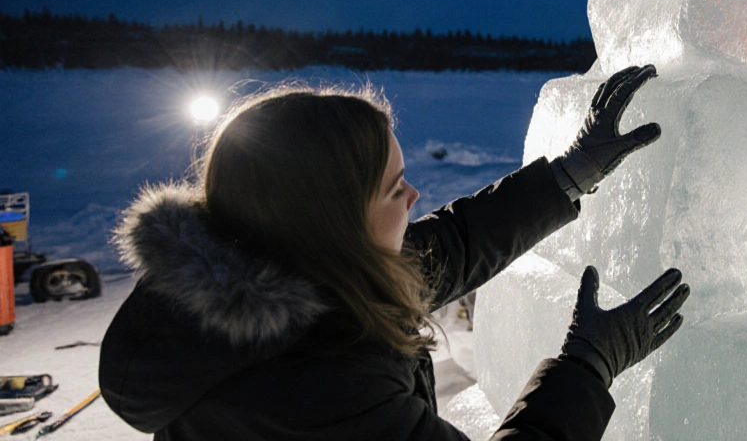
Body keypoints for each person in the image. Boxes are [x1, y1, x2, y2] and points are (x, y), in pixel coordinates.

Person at [99, 65, 689, 440]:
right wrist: (587, 368)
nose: (414, 195)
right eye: (392, 187)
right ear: (331, 222)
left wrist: (569, 175)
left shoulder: (270, 266)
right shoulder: (320, 390)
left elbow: (445, 249)